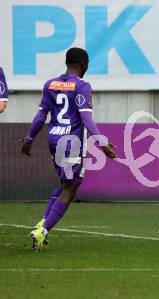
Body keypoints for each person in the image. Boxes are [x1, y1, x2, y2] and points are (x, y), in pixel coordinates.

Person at [20, 47, 117, 252]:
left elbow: (40, 116)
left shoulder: (50, 84)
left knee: (65, 184)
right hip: (72, 142)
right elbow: (86, 118)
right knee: (71, 189)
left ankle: (43, 222)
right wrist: (101, 142)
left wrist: (29, 139)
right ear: (83, 64)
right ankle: (43, 230)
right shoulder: (82, 86)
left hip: (54, 140)